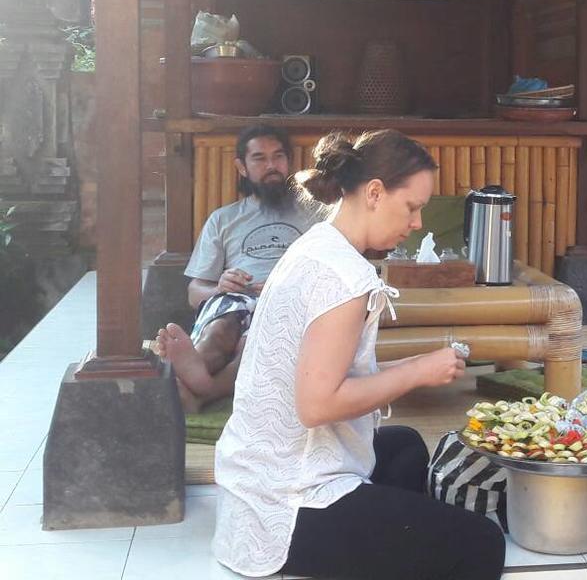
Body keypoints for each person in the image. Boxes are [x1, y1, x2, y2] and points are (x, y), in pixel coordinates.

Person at [212, 129, 506, 579]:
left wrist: (415, 368)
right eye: (412, 207)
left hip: (254, 478)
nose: (417, 223)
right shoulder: (345, 278)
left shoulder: (315, 245)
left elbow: (321, 372)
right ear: (374, 193)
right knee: (482, 545)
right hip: (287, 503)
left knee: (406, 447)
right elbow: (318, 405)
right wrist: (417, 371)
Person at [155, 124, 316, 412]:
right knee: (219, 331)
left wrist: (291, 284)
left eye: (278, 157)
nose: (271, 166)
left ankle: (200, 390)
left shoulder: (315, 215)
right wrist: (219, 287)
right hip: (233, 299)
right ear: (241, 167)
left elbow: (330, 274)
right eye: (259, 158)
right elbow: (194, 293)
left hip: (288, 299)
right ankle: (192, 369)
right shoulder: (223, 219)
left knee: (251, 343)